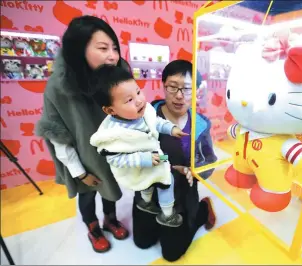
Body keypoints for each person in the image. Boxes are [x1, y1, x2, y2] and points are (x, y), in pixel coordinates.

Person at [35, 16, 129, 253]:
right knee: (87, 194)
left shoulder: (116, 76)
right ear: (79, 50)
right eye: (103, 48)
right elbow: (58, 137)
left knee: (110, 188)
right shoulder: (58, 88)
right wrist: (80, 172)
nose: (112, 55)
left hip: (111, 154)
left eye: (115, 48)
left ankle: (110, 218)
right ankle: (93, 227)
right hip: (83, 159)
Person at [132, 60, 218, 262]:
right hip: (148, 192)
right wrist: (167, 165)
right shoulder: (145, 116)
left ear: (195, 92)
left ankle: (202, 209)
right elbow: (133, 154)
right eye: (173, 87)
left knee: (171, 254)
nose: (179, 95)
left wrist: (194, 170)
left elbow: (209, 160)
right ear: (163, 86)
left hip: (180, 195)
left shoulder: (201, 125)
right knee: (142, 243)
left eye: (187, 89)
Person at [89, 64, 189, 228]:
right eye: (129, 100)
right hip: (139, 166)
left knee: (164, 167)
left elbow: (155, 122)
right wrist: (144, 159)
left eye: (138, 91)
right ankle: (168, 215)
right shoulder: (113, 136)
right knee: (166, 181)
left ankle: (146, 201)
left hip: (156, 156)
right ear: (110, 110)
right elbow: (117, 160)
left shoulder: (145, 110)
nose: (139, 100)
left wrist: (171, 128)